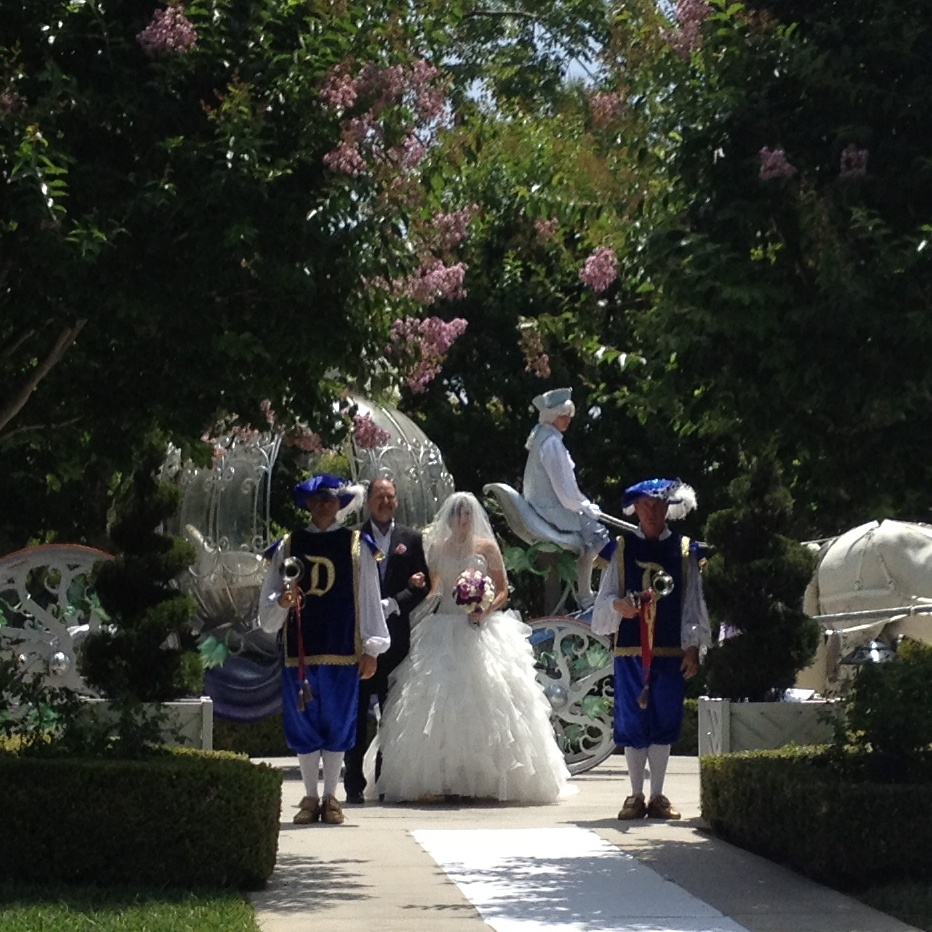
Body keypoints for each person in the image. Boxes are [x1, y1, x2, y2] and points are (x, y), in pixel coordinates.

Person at [371, 491, 573, 803]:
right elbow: (435, 587)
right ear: (449, 519)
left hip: (481, 627)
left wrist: (484, 606)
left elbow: (503, 589)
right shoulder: (438, 548)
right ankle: (441, 779)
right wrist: (417, 585)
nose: (462, 520)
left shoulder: (487, 547)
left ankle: (491, 779)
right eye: (456, 515)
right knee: (437, 702)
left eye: (466, 514)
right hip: (445, 625)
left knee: (492, 697)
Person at [258, 473, 390, 826]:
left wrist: (372, 648)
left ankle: (332, 797)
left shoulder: (355, 544)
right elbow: (269, 600)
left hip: (342, 649)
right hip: (298, 651)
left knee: (338, 722)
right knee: (303, 722)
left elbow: (368, 598)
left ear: (340, 504)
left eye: (330, 499)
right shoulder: (288, 544)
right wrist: (282, 603)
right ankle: (310, 797)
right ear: (308, 504)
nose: (323, 505)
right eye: (317, 500)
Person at [592, 478, 711, 820]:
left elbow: (692, 602)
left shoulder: (685, 549)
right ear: (635, 508)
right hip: (630, 649)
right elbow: (604, 600)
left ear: (669, 508)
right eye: (646, 505)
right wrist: (619, 607)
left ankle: (658, 794)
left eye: (659, 505)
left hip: (671, 650)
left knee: (665, 717)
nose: (653, 511)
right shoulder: (622, 548)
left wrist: (692, 647)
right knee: (633, 719)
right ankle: (634, 795)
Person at [343, 476, 429, 804]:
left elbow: (423, 585)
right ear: (369, 501)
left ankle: (384, 778)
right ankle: (353, 781)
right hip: (360, 642)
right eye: (380, 496)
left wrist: (394, 603)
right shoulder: (352, 538)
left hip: (396, 641)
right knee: (357, 714)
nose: (386, 502)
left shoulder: (411, 538)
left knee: (390, 716)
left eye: (391, 497)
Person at [522, 387, 610, 609]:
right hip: (551, 509)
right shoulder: (551, 443)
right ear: (553, 415)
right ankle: (589, 594)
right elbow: (564, 490)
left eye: (569, 415)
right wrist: (584, 506)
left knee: (593, 530)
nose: (568, 420)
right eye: (564, 415)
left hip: (545, 506)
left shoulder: (543, 437)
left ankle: (585, 592)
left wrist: (584, 505)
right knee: (598, 535)